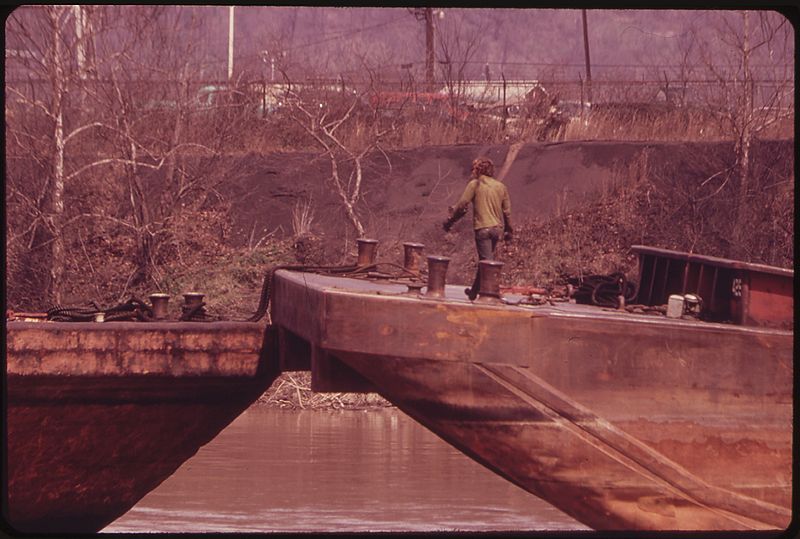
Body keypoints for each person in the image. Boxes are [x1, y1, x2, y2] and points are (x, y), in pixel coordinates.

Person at [443, 156, 512, 300]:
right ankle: (474, 292)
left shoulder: (475, 184)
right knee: (486, 260)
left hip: (483, 229)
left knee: (487, 262)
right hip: (497, 229)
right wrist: (509, 230)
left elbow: (462, 204)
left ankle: (492, 293)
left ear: (478, 170)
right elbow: (507, 212)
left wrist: (450, 221)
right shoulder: (501, 186)